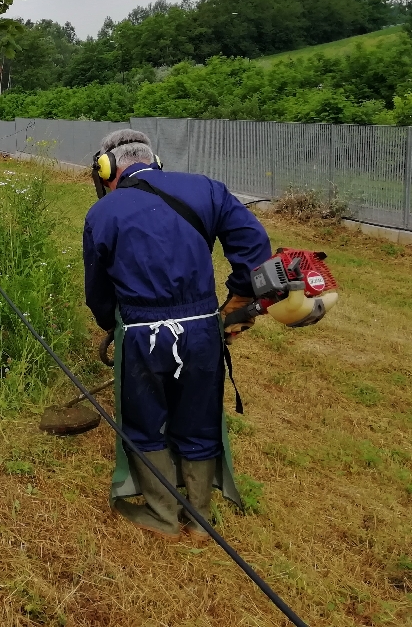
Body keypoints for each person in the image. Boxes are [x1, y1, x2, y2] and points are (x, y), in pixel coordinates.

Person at [82, 129, 270, 539]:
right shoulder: (207, 190)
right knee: (199, 421)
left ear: (106, 168)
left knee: (144, 423)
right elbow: (254, 247)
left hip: (142, 335)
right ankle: (200, 519)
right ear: (155, 160)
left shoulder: (103, 213)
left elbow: (97, 293)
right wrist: (238, 300)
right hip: (203, 329)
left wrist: (109, 325)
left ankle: (164, 515)